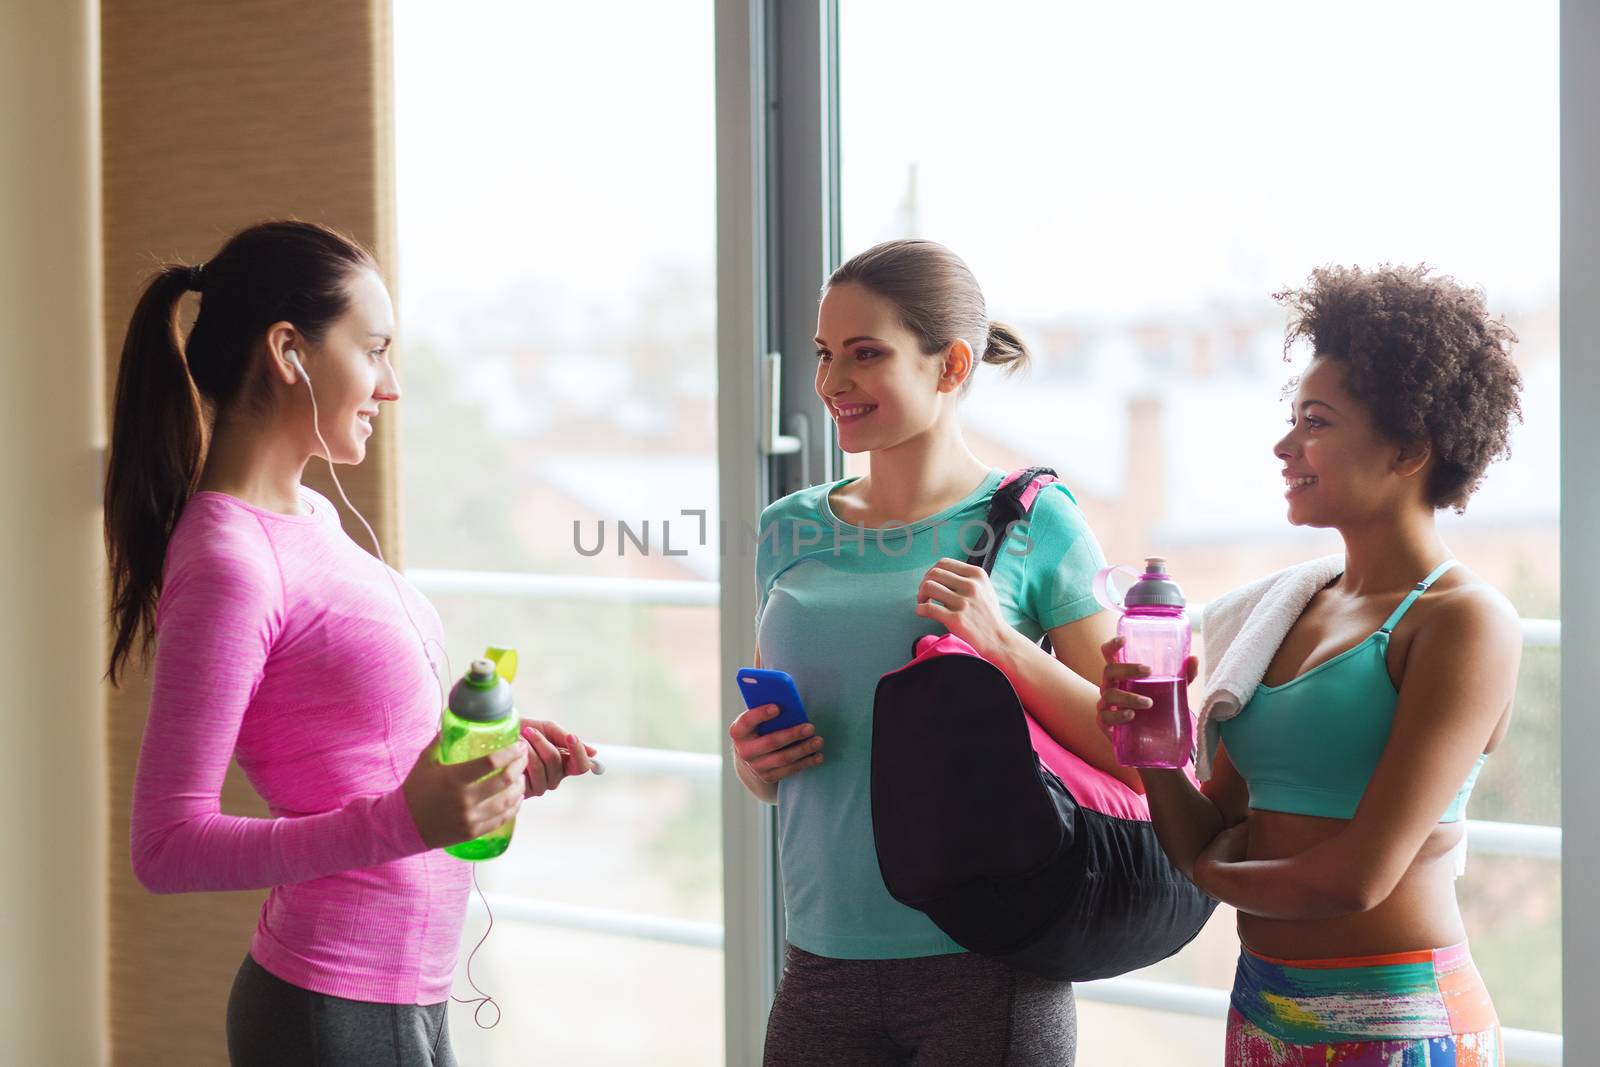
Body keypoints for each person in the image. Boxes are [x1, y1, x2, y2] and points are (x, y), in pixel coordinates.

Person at [104, 219, 594, 1066]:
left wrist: (484, 759)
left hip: (404, 988)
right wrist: (404, 819)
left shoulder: (312, 517)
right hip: (329, 1005)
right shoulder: (231, 560)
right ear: (289, 349)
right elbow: (164, 845)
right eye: (374, 350)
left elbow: (355, 746)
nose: (390, 385)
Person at [1097, 264, 1523, 1064]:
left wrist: (1209, 868)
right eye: (1293, 418)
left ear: (1409, 447)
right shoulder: (1288, 608)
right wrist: (1148, 743)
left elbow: (1357, 877)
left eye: (1316, 422)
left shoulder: (1464, 621)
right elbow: (1215, 824)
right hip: (1260, 1001)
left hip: (1397, 1019)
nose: (1285, 445)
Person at [731, 239, 1130, 1065]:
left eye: (865, 354)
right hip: (820, 958)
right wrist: (756, 760)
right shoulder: (787, 530)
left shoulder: (1037, 523)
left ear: (950, 366)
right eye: (824, 354)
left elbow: (1138, 754)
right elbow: (776, 752)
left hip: (987, 966)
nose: (830, 384)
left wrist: (1005, 647)